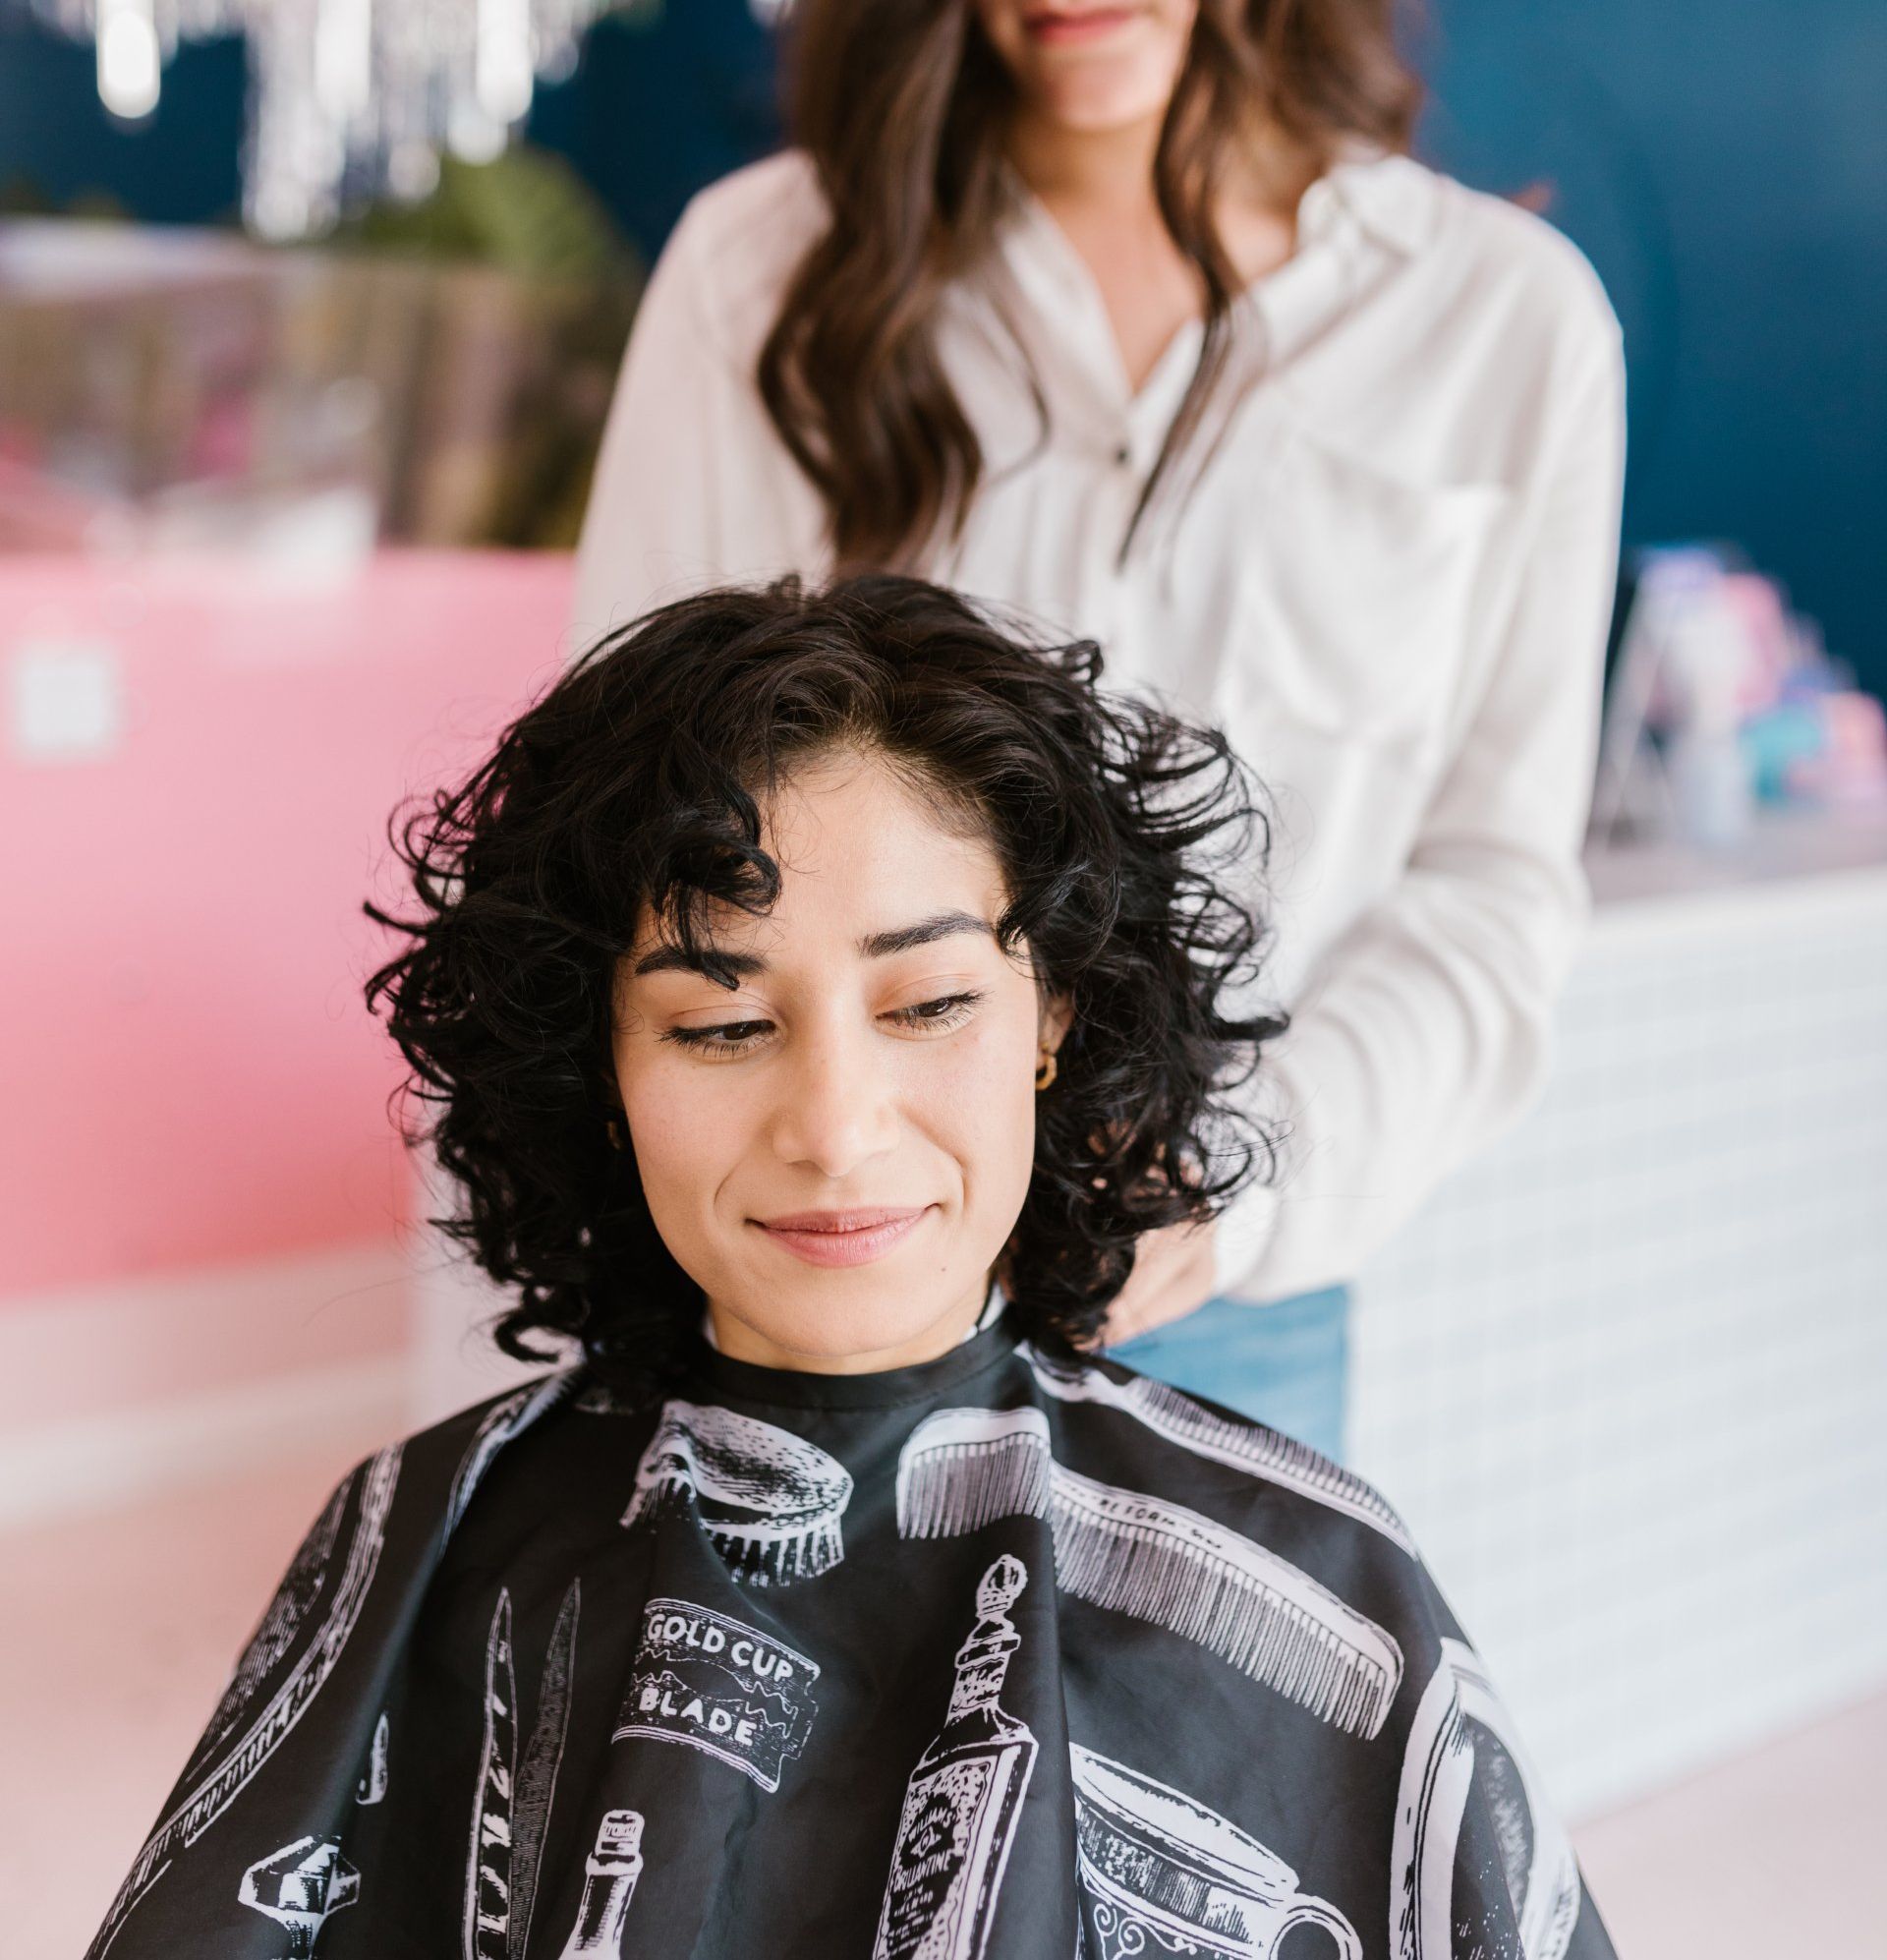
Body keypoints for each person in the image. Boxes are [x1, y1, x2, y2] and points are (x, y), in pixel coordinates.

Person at [86, 577, 1616, 1959]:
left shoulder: (1320, 1593)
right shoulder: (422, 1538)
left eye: (930, 1000)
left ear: (1054, 1019)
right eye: (720, 1024)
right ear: (601, 1065)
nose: (832, 1127)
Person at [569, 0, 1630, 1461]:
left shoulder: (1503, 322)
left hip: (1232, 1320)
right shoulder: (762, 270)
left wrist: (1244, 1179)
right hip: (818, 1251)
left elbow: (1490, 888)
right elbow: (624, 802)